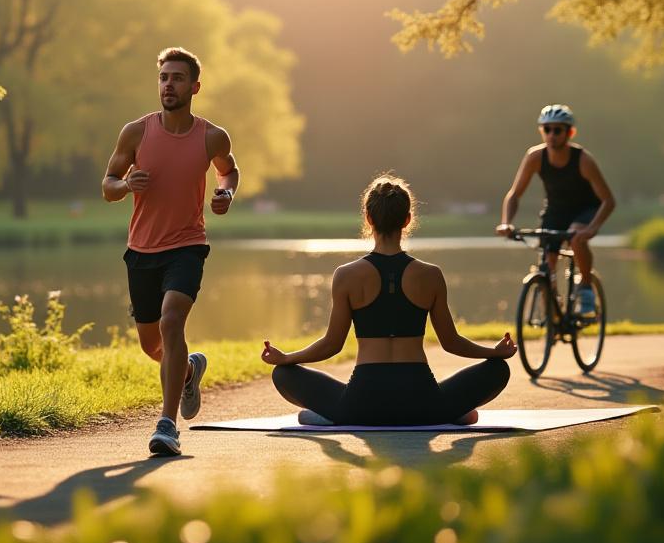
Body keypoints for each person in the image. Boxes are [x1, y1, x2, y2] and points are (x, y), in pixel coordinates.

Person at [262, 176, 515, 426]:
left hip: (361, 403)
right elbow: (451, 342)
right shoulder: (430, 275)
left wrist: (286, 359)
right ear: (407, 220)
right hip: (422, 401)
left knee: (283, 374)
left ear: (369, 219)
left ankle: (335, 415)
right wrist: (494, 353)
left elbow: (332, 345)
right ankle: (448, 413)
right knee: (498, 370)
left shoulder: (346, 275)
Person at [102, 47, 239, 456]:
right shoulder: (136, 132)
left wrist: (225, 193)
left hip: (187, 245)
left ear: (194, 87)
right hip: (141, 251)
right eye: (164, 77)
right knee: (152, 345)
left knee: (171, 320)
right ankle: (189, 370)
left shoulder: (212, 135)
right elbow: (107, 185)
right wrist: (127, 185)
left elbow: (229, 169)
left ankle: (167, 426)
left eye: (178, 78)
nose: (169, 84)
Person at [495, 104, 615, 315]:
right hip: (556, 211)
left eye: (557, 130)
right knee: (547, 263)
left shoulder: (583, 160)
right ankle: (552, 307)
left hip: (585, 209)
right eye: (546, 129)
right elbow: (514, 194)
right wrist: (506, 222)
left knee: (577, 236)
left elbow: (608, 200)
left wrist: (593, 228)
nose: (551, 135)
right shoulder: (535, 157)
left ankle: (586, 286)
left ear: (570, 132)